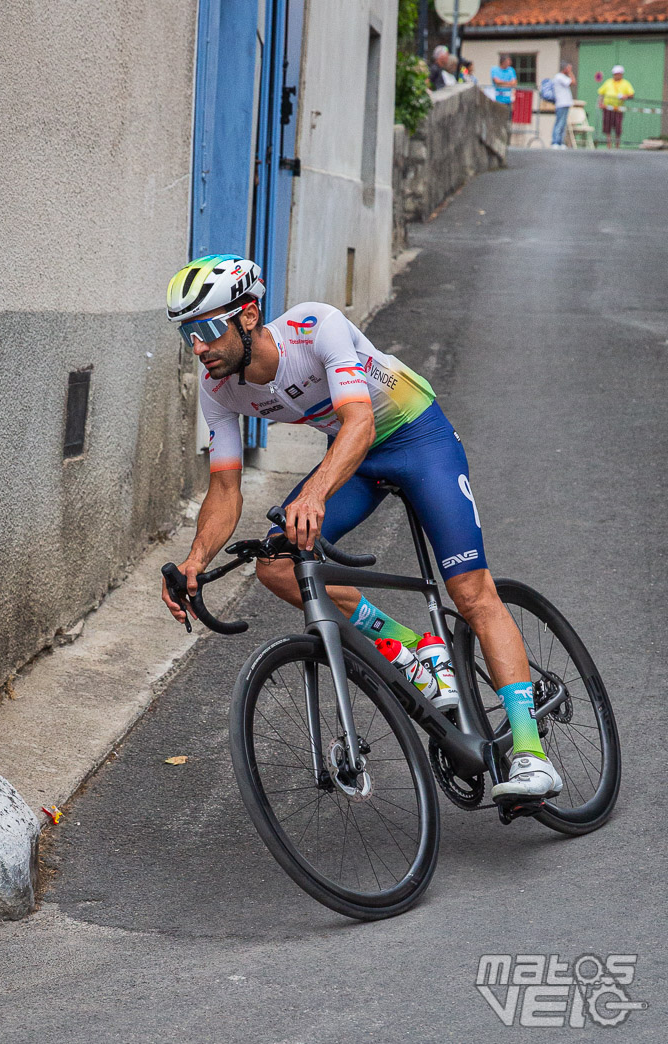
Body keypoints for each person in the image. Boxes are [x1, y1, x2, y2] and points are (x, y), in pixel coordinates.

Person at [162, 254, 564, 802]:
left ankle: (531, 755)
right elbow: (225, 488)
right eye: (189, 335)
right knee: (276, 565)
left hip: (416, 437)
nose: (199, 348)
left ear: (248, 315)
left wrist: (315, 492)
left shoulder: (313, 327)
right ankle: (415, 650)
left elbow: (361, 421)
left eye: (207, 329)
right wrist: (195, 561)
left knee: (471, 592)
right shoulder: (220, 388)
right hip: (358, 460)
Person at [598, 65, 634, 149]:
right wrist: (601, 103)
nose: (617, 76)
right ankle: (609, 144)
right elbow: (601, 93)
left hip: (618, 109)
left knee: (618, 126)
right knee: (607, 126)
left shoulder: (625, 83)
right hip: (607, 108)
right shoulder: (608, 82)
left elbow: (631, 94)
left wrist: (626, 96)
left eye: (619, 74)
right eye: (616, 74)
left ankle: (617, 144)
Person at [551, 62, 576, 148]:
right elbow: (573, 82)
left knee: (563, 124)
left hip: (565, 103)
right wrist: (570, 72)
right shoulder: (559, 77)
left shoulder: (563, 77)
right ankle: (555, 142)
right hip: (561, 103)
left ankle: (561, 142)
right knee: (559, 123)